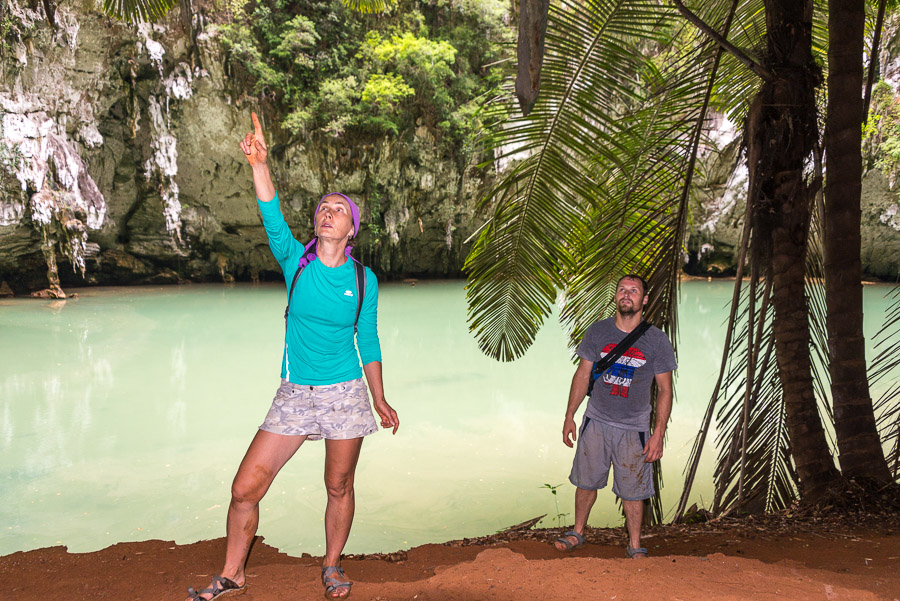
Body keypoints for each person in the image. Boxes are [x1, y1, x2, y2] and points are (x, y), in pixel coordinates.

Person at [186, 112, 399, 601]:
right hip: (294, 392)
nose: (327, 212)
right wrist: (260, 163)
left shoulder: (364, 280)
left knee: (338, 484)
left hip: (345, 392)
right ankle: (233, 574)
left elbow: (367, 339)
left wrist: (380, 398)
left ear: (352, 230)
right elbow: (270, 212)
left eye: (338, 210)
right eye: (323, 207)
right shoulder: (294, 261)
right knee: (245, 488)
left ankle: (331, 566)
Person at [553, 275, 675, 558]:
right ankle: (578, 532)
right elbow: (583, 374)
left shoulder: (656, 340)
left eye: (634, 291)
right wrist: (570, 415)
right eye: (622, 289)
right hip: (596, 421)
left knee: (634, 491)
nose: (627, 295)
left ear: (644, 300)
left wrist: (658, 434)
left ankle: (634, 545)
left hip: (634, 428)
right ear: (616, 296)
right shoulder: (598, 332)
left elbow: (665, 390)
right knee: (586, 482)